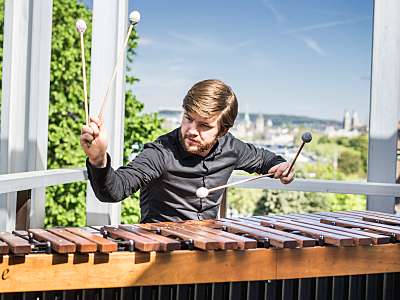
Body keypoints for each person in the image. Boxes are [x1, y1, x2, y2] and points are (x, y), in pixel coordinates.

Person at [81, 79, 294, 223]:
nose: (192, 130)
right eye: (188, 118)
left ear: (223, 130)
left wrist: (280, 165)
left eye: (204, 125)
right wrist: (99, 160)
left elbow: (265, 159)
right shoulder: (161, 152)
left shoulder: (232, 148)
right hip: (159, 251)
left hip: (206, 249)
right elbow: (114, 190)